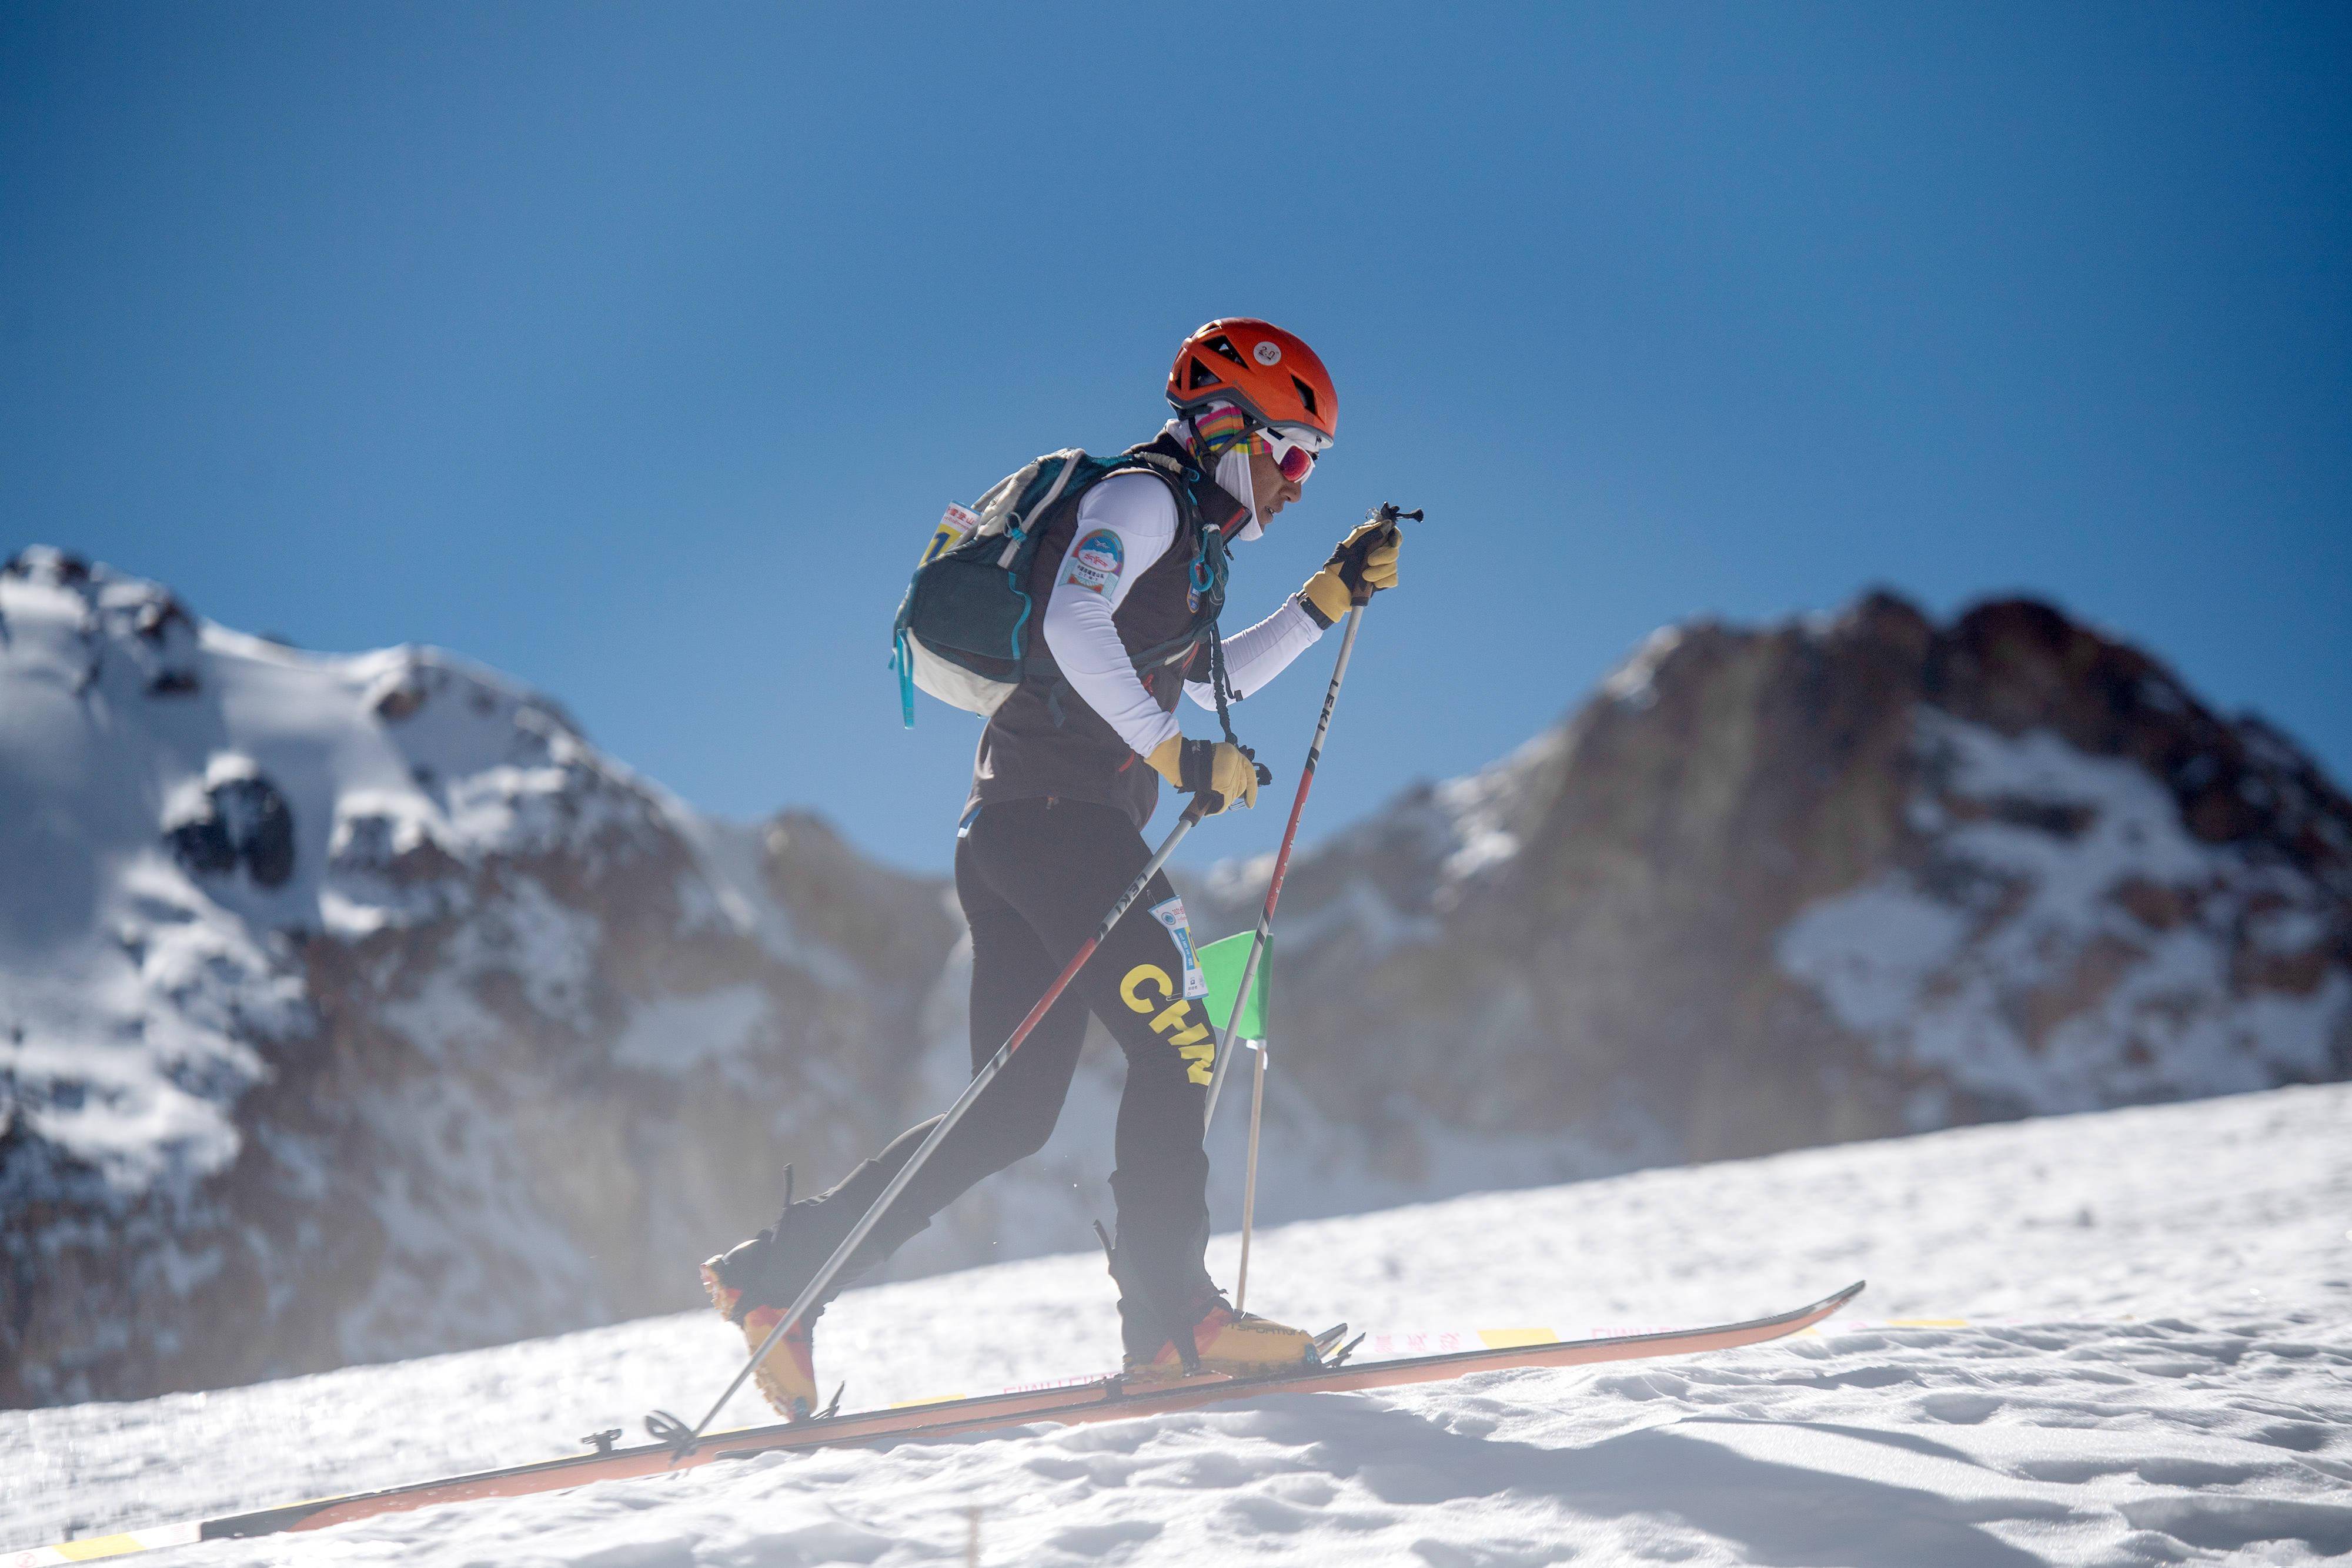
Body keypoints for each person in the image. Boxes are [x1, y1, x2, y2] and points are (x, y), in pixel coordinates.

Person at [701, 318, 1404, 1417]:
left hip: (1023, 834)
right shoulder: (1143, 500)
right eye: (1297, 454)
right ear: (1233, 429)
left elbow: (1216, 687)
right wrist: (1171, 754)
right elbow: (1077, 618)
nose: (1302, 485)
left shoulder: (1192, 549)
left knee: (1009, 1114)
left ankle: (773, 1280)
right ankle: (1178, 1326)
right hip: (1059, 824)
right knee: (1179, 1035)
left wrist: (1326, 599)